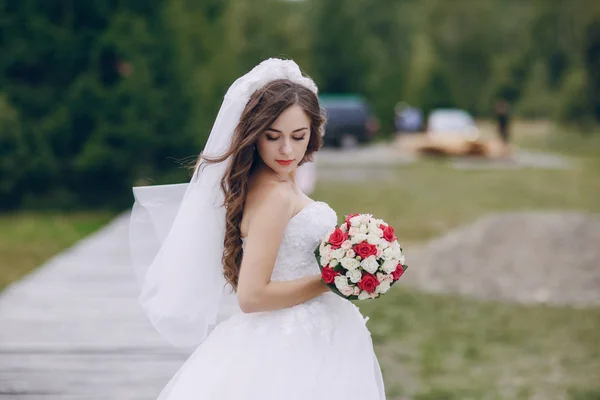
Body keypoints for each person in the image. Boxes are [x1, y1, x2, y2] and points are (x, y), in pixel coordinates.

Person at [129, 59, 385, 399]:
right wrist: (332, 279)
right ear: (254, 134)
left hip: (307, 332)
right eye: (272, 136)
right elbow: (251, 297)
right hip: (289, 341)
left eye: (298, 136)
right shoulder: (275, 196)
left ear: (312, 134)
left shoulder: (269, 183)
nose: (286, 150)